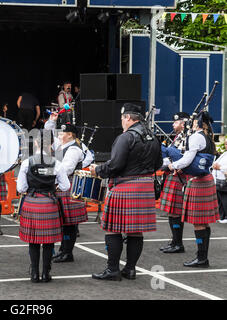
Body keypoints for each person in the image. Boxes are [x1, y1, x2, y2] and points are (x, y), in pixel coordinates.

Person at [89, 103, 162, 281]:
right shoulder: (153, 136)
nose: (121, 121)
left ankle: (113, 270)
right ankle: (130, 269)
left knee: (112, 229)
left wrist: (97, 170)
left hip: (125, 186)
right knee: (136, 231)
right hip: (145, 187)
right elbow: (158, 164)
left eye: (122, 118)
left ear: (128, 117)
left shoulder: (126, 137)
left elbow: (115, 165)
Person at [17, 129, 70, 283]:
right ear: (52, 144)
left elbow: (21, 188)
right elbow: (65, 186)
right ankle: (46, 273)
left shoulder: (27, 162)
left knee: (33, 241)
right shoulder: (57, 163)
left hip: (32, 202)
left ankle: (34, 273)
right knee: (48, 241)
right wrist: (54, 187)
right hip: (49, 203)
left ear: (35, 143)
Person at [167, 111, 219, 268]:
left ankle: (202, 258)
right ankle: (202, 256)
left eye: (193, 121)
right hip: (206, 179)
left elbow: (187, 159)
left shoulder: (196, 137)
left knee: (198, 223)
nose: (191, 123)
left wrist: (173, 165)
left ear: (197, 123)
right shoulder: (207, 137)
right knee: (203, 223)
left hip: (199, 182)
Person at [45, 114, 94, 263]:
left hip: (70, 186)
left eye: (61, 133)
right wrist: (51, 121)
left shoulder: (73, 150)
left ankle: (67, 252)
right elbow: (48, 135)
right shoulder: (62, 146)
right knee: (64, 222)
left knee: (70, 223)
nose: (59, 135)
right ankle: (63, 250)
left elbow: (66, 169)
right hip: (63, 185)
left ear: (70, 135)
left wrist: (47, 173)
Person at [159, 112, 190, 254]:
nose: (173, 124)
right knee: (172, 212)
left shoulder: (188, 137)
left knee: (175, 212)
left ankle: (178, 244)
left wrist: (169, 154)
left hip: (179, 176)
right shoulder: (178, 136)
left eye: (176, 122)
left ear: (183, 123)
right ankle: (175, 241)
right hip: (172, 174)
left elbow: (183, 156)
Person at [212, 138, 227, 223]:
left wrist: (219, 167)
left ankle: (225, 217)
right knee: (219, 199)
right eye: (225, 144)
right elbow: (215, 163)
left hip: (224, 179)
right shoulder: (224, 153)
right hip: (218, 179)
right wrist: (215, 166)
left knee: (225, 199)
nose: (226, 145)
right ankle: (221, 216)